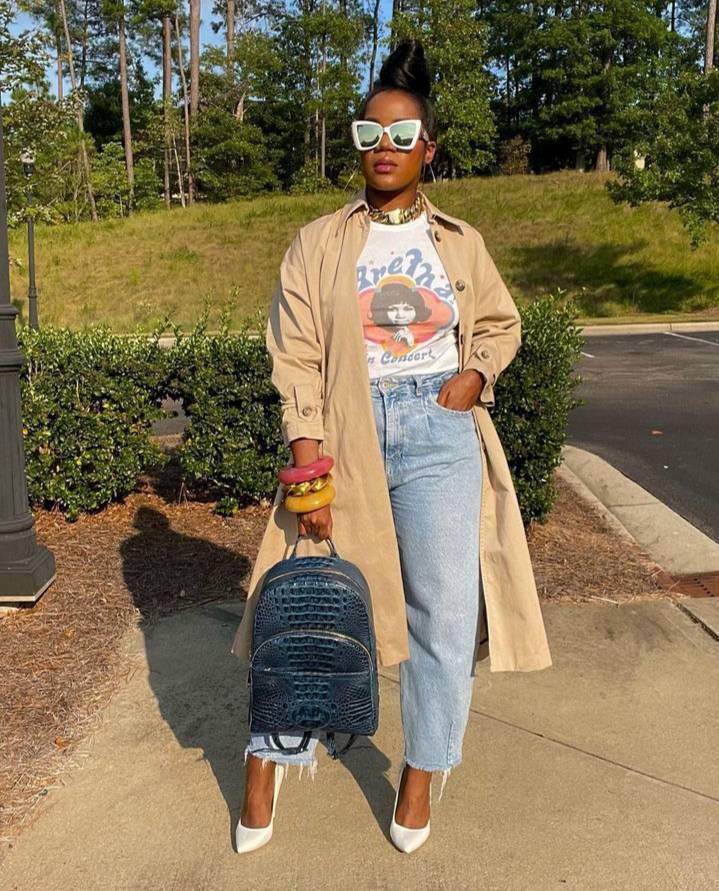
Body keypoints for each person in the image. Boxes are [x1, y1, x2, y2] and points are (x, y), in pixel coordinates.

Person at [233, 37, 552, 855]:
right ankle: (271, 752)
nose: (385, 147)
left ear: (427, 149)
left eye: (402, 135)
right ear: (356, 144)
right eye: (369, 133)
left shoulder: (459, 241)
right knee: (307, 602)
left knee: (442, 614)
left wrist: (473, 376)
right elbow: (294, 355)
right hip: (344, 432)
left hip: (438, 430)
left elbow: (500, 323)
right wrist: (309, 467)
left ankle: (421, 767)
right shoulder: (317, 242)